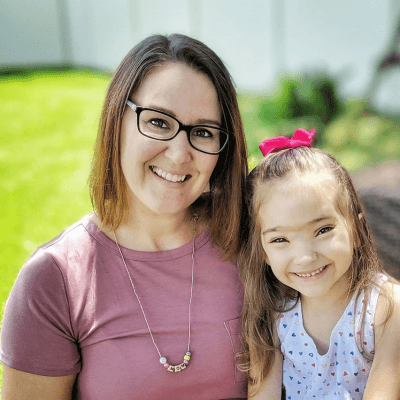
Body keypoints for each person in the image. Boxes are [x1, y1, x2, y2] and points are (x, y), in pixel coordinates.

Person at [0, 34, 248, 399]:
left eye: (203, 132)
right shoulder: (53, 280)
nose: (180, 155)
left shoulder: (259, 243)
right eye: (159, 122)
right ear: (117, 120)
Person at [238, 129, 400, 399]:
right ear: (263, 253)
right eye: (280, 239)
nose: (305, 256)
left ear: (357, 231)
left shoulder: (386, 307)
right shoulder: (273, 313)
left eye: (323, 230)